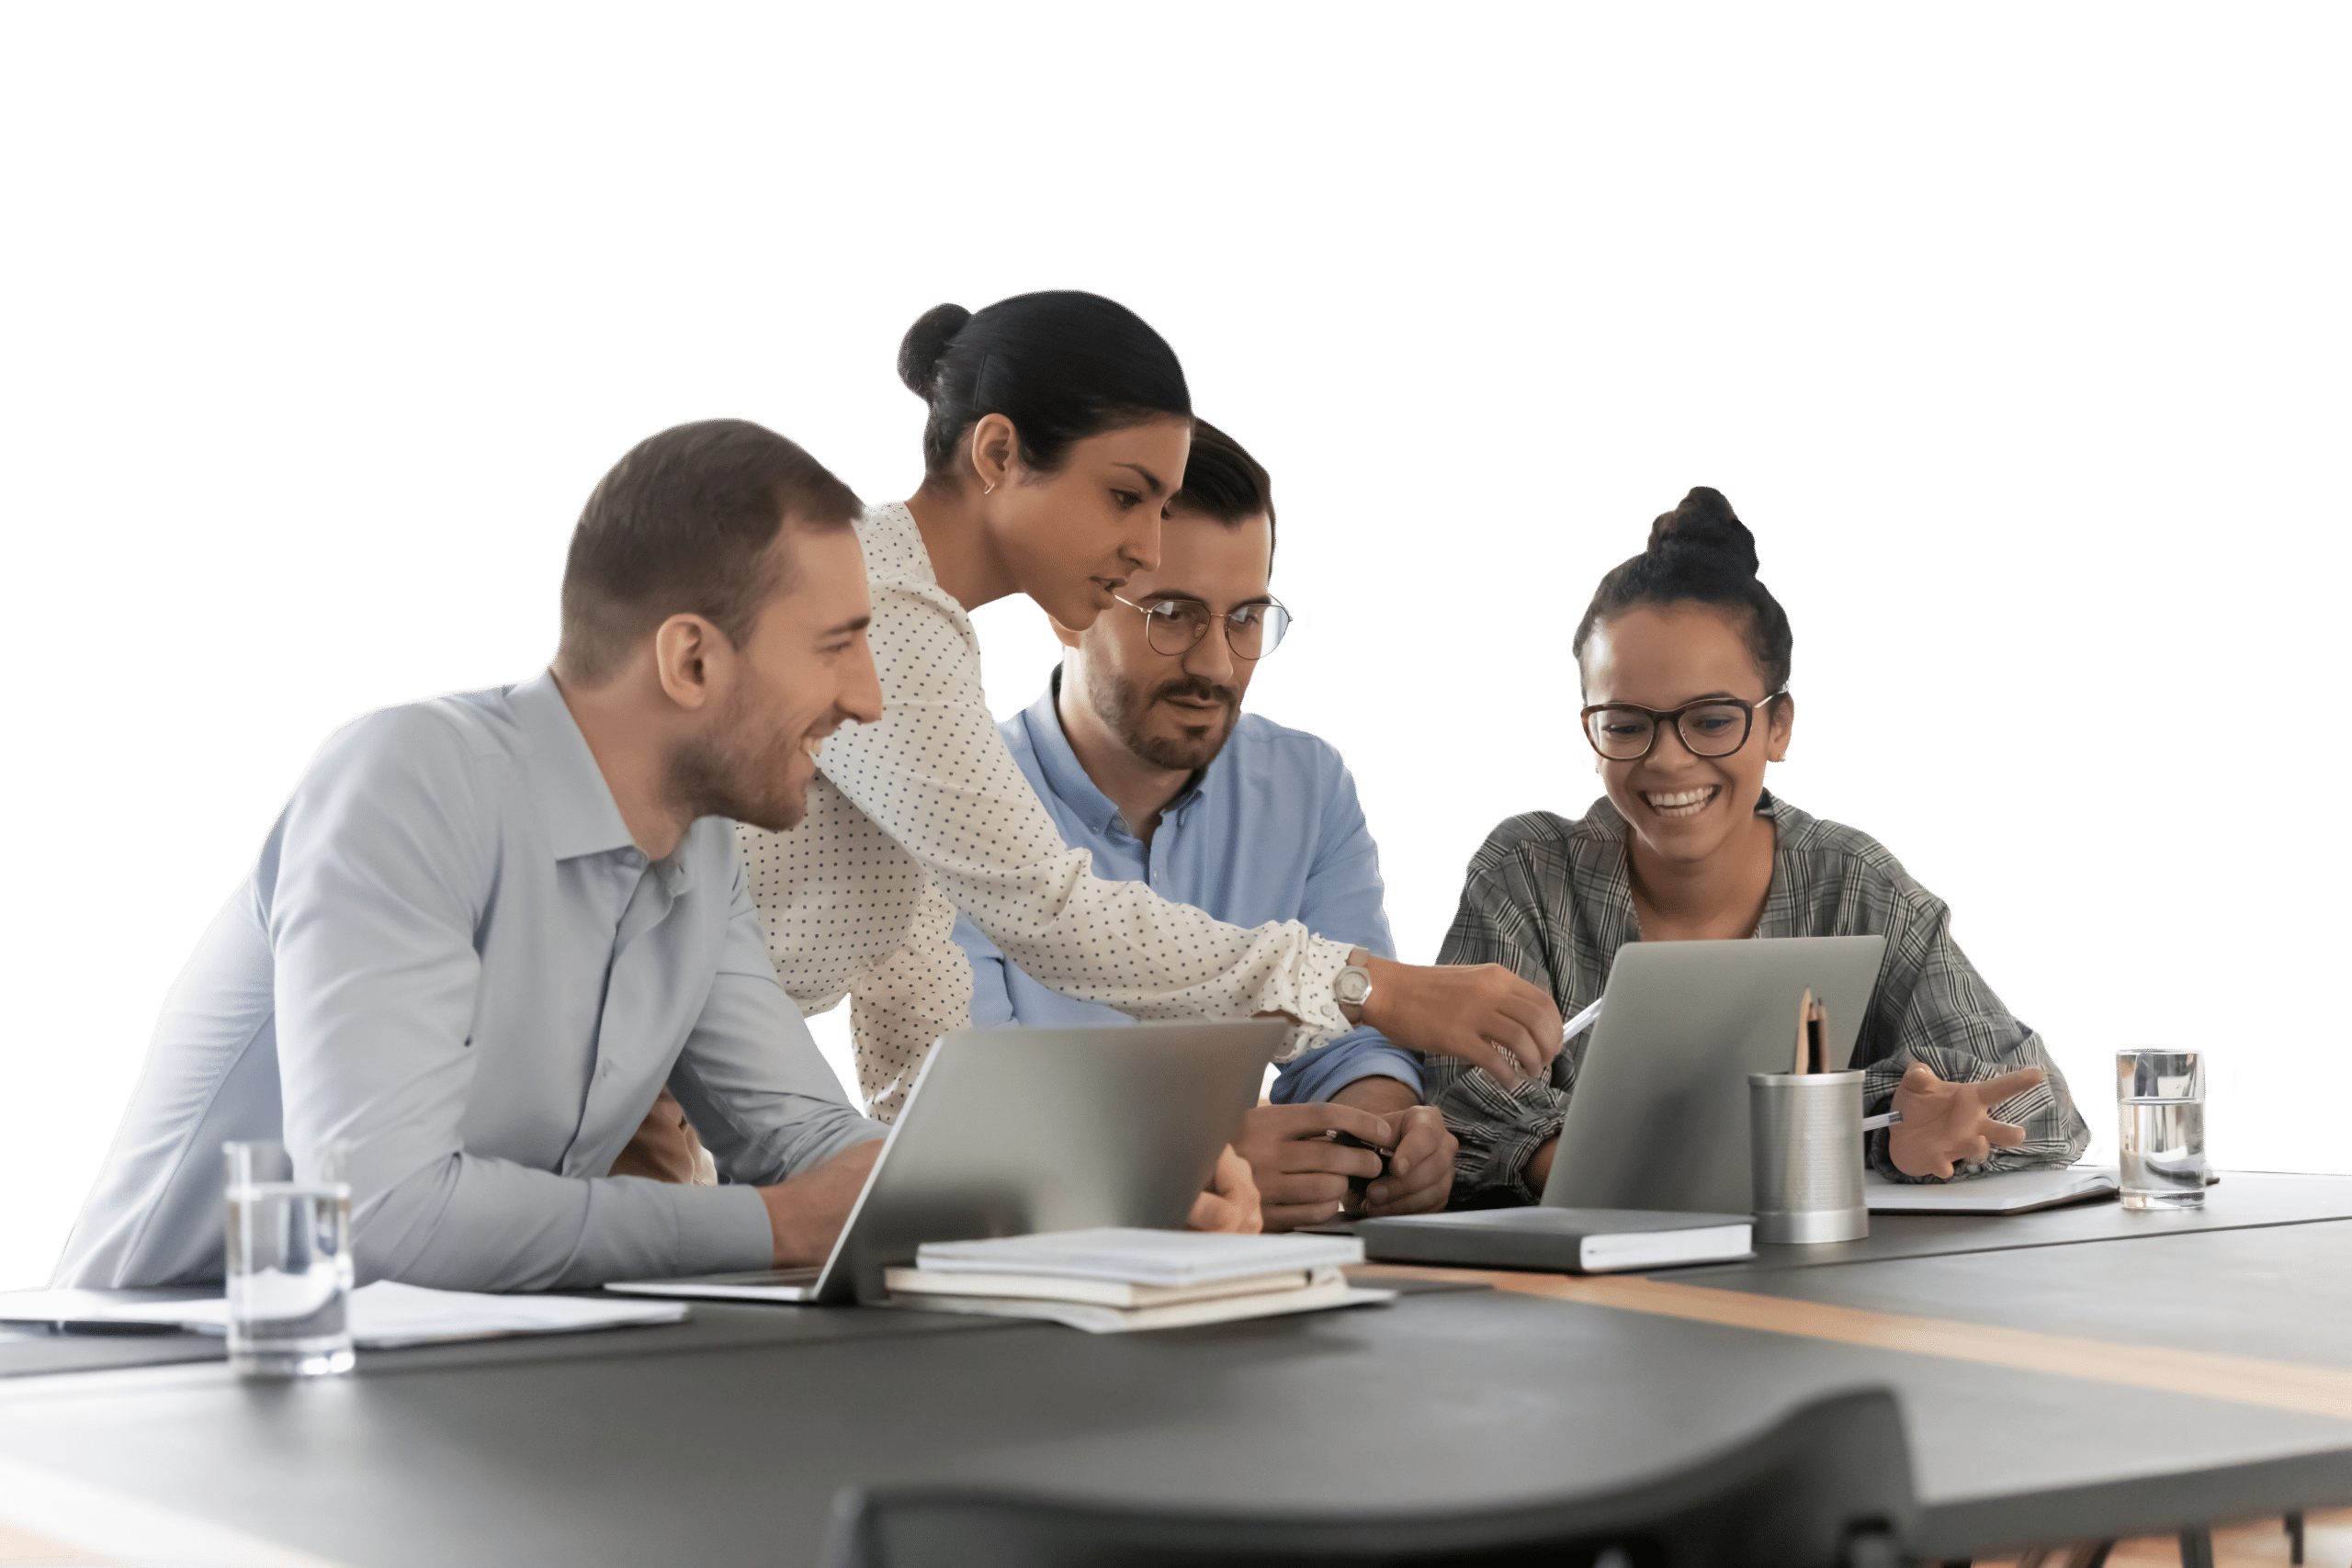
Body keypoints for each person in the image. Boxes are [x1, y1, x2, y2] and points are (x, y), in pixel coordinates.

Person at [53, 418, 896, 1291]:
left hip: (445, 1352)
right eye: (836, 646)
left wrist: (944, 1193)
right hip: (176, 1351)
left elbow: (809, 1144)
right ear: (690, 661)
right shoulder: (408, 783)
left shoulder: (701, 847)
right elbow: (383, 1215)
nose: (868, 698)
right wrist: (773, 1225)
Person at [737, 290, 1561, 1113]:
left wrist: (949, 1156)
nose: (1147, 548)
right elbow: (1049, 913)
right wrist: (1366, 986)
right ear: (998, 454)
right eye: (1126, 497)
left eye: (1161, 509)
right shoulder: (878, 611)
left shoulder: (926, 645)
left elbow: (916, 1013)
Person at [1429, 485, 2092, 1204]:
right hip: (1579, 1270)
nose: (1669, 759)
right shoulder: (1527, 874)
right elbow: (1454, 1102)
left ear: (1779, 726)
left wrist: (1899, 1121)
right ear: (1589, 733)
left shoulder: (1856, 884)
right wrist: (1807, 1129)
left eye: (1713, 720)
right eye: (1625, 724)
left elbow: (2041, 1106)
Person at [945, 418, 1457, 1229]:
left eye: (1245, 618)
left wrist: (1377, 1140)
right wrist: (1191, 1164)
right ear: (1069, 607)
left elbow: (1350, 1039)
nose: (1216, 664)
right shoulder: (955, 803)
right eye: (1172, 613)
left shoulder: (1308, 785)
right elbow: (960, 1121)